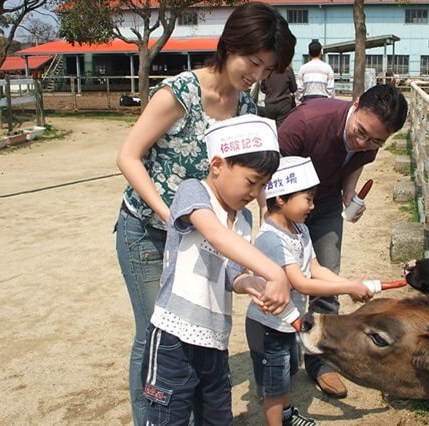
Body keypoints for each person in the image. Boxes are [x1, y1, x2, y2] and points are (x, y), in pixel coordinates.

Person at [114, 3, 296, 424]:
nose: (258, 76)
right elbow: (128, 156)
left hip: (202, 234)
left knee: (196, 327)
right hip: (148, 228)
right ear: (231, 44)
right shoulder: (178, 93)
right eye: (254, 63)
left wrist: (268, 217)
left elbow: (255, 177)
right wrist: (174, 216)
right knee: (155, 331)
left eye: (267, 70)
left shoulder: (248, 109)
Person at [143, 115, 291, 425]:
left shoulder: (245, 219)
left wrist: (246, 281)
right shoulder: (194, 192)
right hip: (174, 337)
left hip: (214, 341)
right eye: (251, 181)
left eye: (263, 186)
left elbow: (228, 272)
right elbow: (214, 234)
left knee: (217, 418)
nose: (255, 192)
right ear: (217, 165)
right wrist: (274, 273)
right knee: (168, 417)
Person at [276, 84, 408, 398]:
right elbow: (268, 176)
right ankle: (277, 355)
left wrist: (349, 192)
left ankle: (321, 362)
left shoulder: (372, 139)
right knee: (284, 279)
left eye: (375, 140)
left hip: (325, 205)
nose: (364, 142)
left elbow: (357, 161)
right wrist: (279, 222)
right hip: (285, 205)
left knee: (328, 276)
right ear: (357, 102)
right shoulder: (304, 124)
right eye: (360, 132)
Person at [246, 156, 374, 426]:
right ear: (280, 198)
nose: (313, 206)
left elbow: (314, 268)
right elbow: (300, 283)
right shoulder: (271, 238)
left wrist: (347, 282)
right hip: (267, 325)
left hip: (287, 321)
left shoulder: (300, 230)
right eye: (308, 198)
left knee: (286, 372)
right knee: (274, 386)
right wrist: (348, 287)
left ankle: (287, 414)